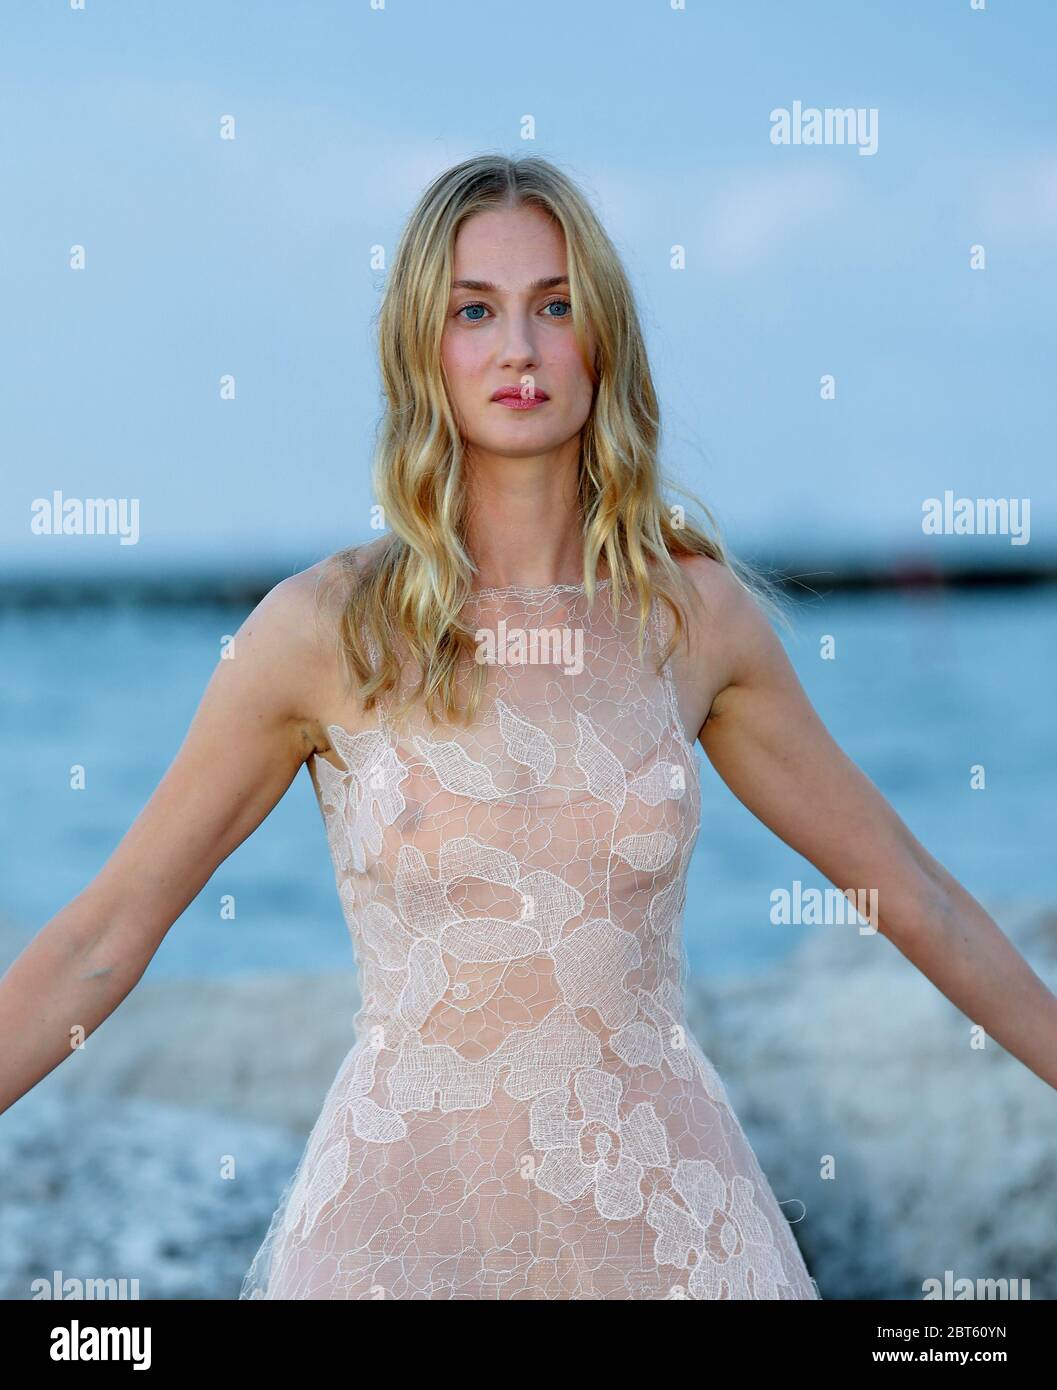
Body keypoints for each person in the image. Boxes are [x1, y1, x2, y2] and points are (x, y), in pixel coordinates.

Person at [3, 155, 1055, 1302]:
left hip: (670, 1233)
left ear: (602, 340)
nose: (520, 347)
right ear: (423, 347)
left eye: (556, 305)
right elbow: (103, 934)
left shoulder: (691, 618)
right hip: (396, 1242)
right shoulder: (320, 631)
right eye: (474, 311)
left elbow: (911, 890)